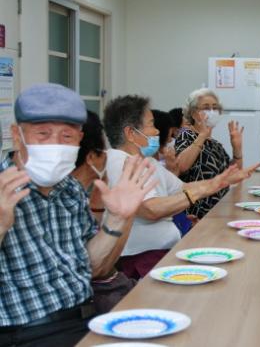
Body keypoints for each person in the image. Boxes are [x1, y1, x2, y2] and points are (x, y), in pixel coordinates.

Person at [0, 84, 156, 346]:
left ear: (79, 139)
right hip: (26, 333)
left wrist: (117, 220)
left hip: (85, 317)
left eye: (67, 136)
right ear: (17, 135)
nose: (55, 145)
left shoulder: (71, 189)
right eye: (43, 134)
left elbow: (91, 267)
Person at [103, 95, 255, 279]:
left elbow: (182, 187)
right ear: (130, 133)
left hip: (166, 249)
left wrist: (221, 181)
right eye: (151, 124)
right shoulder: (119, 162)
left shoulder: (147, 161)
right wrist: (204, 190)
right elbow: (150, 209)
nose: (156, 131)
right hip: (142, 259)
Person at [71, 110, 136, 314]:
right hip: (98, 298)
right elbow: (101, 267)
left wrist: (98, 204)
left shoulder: (80, 193)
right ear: (92, 157)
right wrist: (126, 215)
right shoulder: (70, 195)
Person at [174, 88, 252, 219]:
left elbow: (234, 175)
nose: (211, 111)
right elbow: (181, 166)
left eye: (215, 108)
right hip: (196, 213)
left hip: (219, 209)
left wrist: (237, 148)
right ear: (193, 113)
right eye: (206, 107)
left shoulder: (215, 144)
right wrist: (202, 135)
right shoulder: (186, 135)